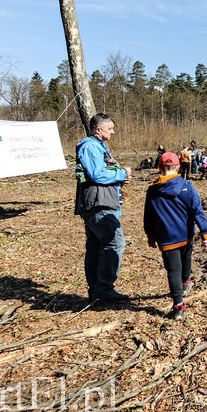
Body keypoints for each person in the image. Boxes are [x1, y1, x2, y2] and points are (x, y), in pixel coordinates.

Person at [143, 152, 207, 320]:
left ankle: (178, 307)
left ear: (159, 168)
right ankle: (185, 283)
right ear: (178, 167)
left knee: (173, 271)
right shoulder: (187, 186)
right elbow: (197, 210)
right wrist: (205, 233)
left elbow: (148, 215)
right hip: (186, 235)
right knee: (186, 261)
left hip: (167, 239)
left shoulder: (153, 190)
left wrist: (150, 235)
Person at [74, 113, 132, 302]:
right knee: (115, 242)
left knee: (96, 246)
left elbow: (101, 173)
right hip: (98, 204)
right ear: (99, 129)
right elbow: (97, 174)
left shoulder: (99, 146)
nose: (113, 132)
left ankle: (97, 290)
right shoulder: (90, 146)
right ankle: (104, 290)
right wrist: (122, 173)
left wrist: (119, 179)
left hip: (101, 201)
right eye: (110, 128)